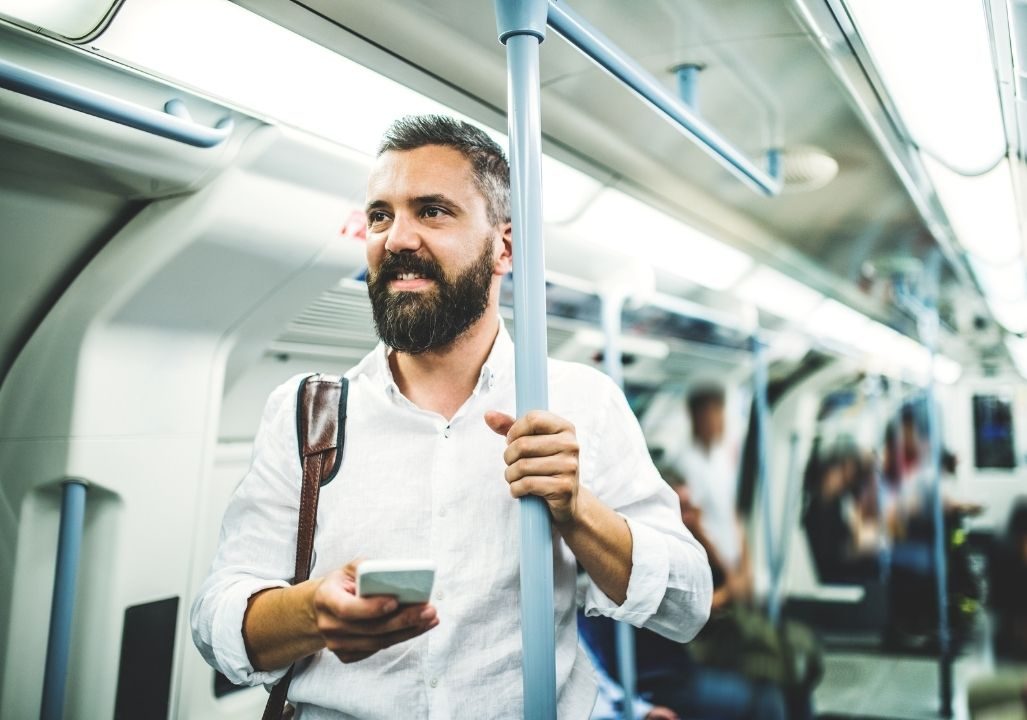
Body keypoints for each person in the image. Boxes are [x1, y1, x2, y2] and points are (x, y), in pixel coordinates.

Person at [190, 115, 712, 718]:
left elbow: (686, 604)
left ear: (503, 247)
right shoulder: (309, 412)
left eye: (432, 211)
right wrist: (313, 612)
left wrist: (578, 510)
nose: (397, 238)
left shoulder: (579, 401)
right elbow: (216, 620)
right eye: (381, 214)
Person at [675, 383, 751, 610]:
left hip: (734, 564)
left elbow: (732, 513)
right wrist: (728, 573)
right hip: (713, 567)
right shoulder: (686, 463)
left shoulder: (720, 459)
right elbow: (693, 524)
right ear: (696, 418)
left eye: (721, 413)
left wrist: (746, 565)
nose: (719, 421)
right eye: (712, 414)